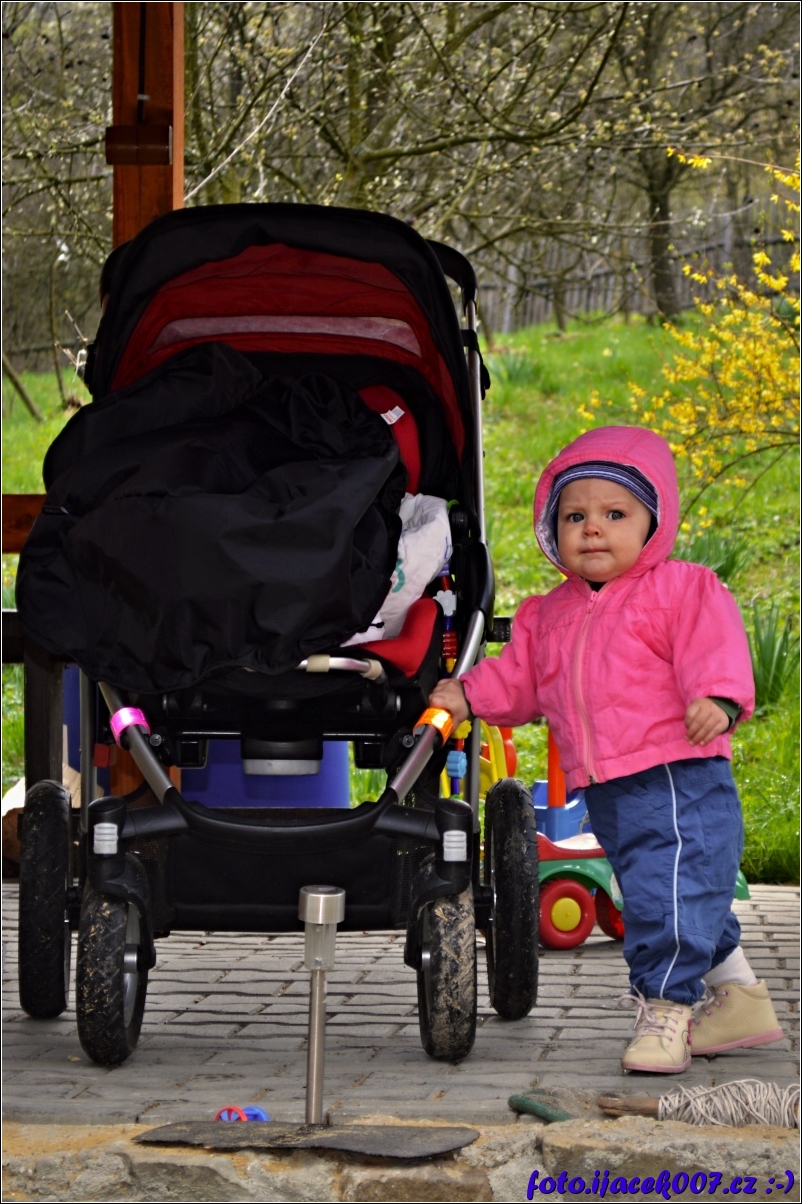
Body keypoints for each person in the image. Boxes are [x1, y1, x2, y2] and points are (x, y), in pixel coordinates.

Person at [431, 425, 783, 1073]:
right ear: (552, 528)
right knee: (672, 891)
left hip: (677, 773)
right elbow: (520, 682)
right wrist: (468, 694)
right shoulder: (548, 615)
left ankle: (665, 1008)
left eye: (615, 514)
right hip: (608, 787)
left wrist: (718, 697)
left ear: (653, 523)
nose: (593, 528)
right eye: (575, 516)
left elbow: (715, 647)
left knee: (665, 895)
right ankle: (740, 1001)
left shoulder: (681, 590)